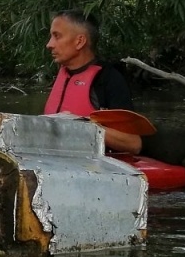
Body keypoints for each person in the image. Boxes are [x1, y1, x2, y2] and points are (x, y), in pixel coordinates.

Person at [42, 9, 141, 153]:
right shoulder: (62, 74)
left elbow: (133, 144)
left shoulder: (109, 79)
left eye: (57, 36)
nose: (49, 44)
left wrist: (81, 127)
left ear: (79, 41)